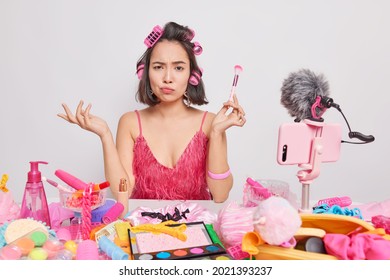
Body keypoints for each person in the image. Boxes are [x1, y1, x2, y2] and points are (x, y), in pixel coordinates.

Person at [58, 22, 246, 203]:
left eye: (179, 68)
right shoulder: (130, 122)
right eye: (158, 67)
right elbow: (122, 191)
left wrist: (217, 133)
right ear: (145, 72)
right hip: (144, 229)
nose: (167, 78)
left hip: (196, 229)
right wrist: (105, 135)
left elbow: (220, 195)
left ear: (192, 75)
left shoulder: (210, 123)